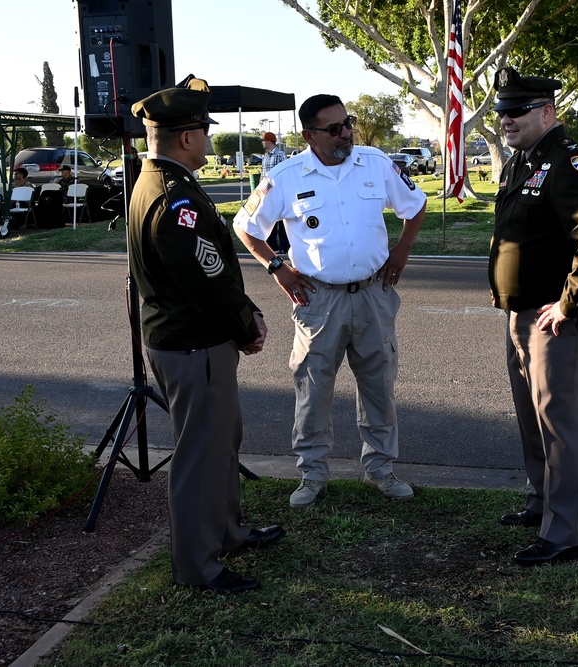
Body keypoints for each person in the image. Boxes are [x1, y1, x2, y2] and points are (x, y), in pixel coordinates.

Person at [128, 76, 284, 594]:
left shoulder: (161, 182)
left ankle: (228, 533)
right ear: (189, 137)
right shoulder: (174, 197)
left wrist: (242, 314)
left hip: (191, 338)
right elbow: (209, 277)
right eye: (205, 130)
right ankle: (199, 567)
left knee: (221, 443)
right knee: (200, 456)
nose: (210, 139)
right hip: (195, 342)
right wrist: (247, 323)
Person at [234, 94, 427, 509]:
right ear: (309, 135)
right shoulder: (286, 176)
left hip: (373, 294)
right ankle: (312, 475)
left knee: (379, 387)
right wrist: (277, 267)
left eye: (348, 123)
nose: (346, 134)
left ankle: (380, 469)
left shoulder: (374, 163)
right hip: (319, 300)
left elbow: (416, 205)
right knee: (313, 389)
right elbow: (246, 226)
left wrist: (402, 250)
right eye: (334, 128)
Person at [488, 67, 578, 566]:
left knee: (559, 423)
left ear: (547, 111)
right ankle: (540, 503)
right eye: (502, 111)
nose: (505, 119)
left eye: (515, 111)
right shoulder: (520, 162)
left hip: (556, 318)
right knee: (531, 418)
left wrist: (569, 303)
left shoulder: (571, 163)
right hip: (519, 312)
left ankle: (563, 532)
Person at [260, 131, 290, 253]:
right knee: (269, 220)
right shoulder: (265, 157)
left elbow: (285, 173)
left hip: (279, 193)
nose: (262, 143)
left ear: (269, 141)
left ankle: (285, 246)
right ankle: (273, 246)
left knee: (282, 221)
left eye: (263, 140)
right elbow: (263, 175)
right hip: (267, 193)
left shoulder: (280, 154)